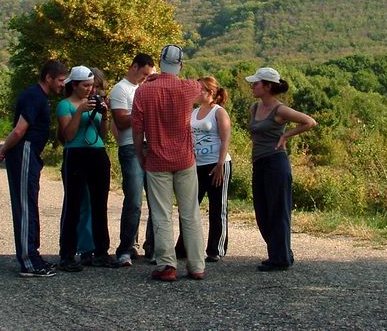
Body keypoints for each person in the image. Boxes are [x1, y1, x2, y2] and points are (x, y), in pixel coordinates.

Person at [132, 45, 205, 282]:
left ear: (160, 62)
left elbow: (137, 129)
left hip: (156, 159)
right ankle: (196, 265)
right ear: (180, 65)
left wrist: (140, 154)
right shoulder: (188, 88)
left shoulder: (144, 91)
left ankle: (167, 265)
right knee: (190, 213)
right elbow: (199, 85)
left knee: (161, 214)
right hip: (185, 159)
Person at [0, 59, 68, 278]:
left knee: (30, 204)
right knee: (26, 206)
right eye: (61, 80)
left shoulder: (39, 97)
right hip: (25, 153)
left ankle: (33, 256)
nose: (62, 85)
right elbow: (19, 131)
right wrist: (3, 151)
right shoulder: (34, 96)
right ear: (48, 78)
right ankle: (28, 262)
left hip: (29, 154)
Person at [246, 67, 317, 272]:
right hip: (259, 163)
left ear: (268, 86)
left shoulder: (280, 110)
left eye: (256, 83)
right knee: (262, 212)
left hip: (276, 163)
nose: (253, 86)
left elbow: (309, 122)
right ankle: (281, 252)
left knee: (278, 211)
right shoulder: (254, 107)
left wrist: (286, 136)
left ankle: (280, 258)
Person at [56, 65, 114, 271]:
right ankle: (68, 254)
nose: (90, 89)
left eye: (92, 86)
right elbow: (68, 135)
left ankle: (101, 252)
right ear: (74, 85)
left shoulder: (94, 102)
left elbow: (103, 135)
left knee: (100, 204)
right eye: (86, 85)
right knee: (73, 204)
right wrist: (80, 112)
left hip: (97, 153)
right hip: (76, 154)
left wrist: (104, 115)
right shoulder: (65, 105)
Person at [175, 76, 232, 263]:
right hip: (195, 165)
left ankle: (216, 248)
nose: (195, 92)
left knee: (217, 207)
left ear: (210, 92)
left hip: (216, 164)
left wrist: (220, 164)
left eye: (199, 89)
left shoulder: (218, 112)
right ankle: (183, 246)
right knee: (189, 206)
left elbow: (225, 140)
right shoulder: (193, 112)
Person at [110, 53, 156, 267]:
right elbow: (120, 121)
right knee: (134, 201)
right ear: (134, 67)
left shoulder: (146, 88)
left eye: (149, 75)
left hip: (152, 146)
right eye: (144, 74)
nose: (145, 78)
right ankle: (125, 248)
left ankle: (152, 246)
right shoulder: (121, 89)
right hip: (130, 146)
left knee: (157, 200)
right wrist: (143, 113)